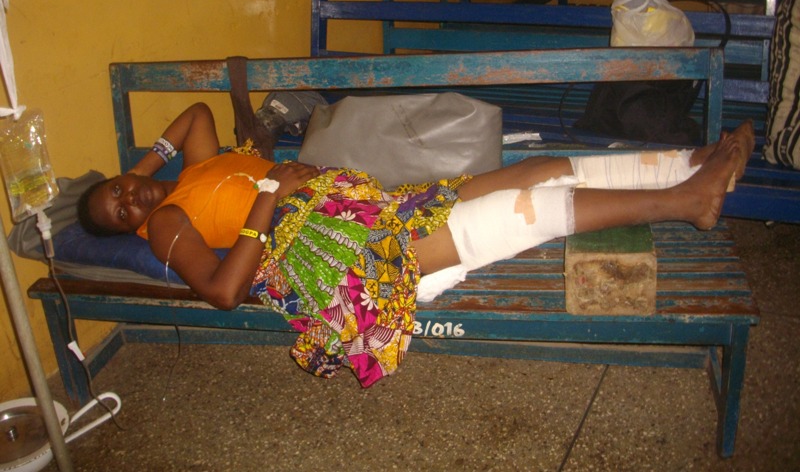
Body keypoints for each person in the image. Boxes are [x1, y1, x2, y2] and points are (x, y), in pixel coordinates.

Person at [78, 102, 755, 387]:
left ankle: (691, 162)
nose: (130, 200)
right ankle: (688, 202)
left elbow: (196, 116)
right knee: (525, 208)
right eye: (118, 210)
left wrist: (140, 170)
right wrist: (268, 192)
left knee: (524, 172)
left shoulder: (178, 177)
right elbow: (224, 292)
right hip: (336, 253)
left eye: (119, 188)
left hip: (351, 207)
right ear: (124, 228)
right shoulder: (164, 225)